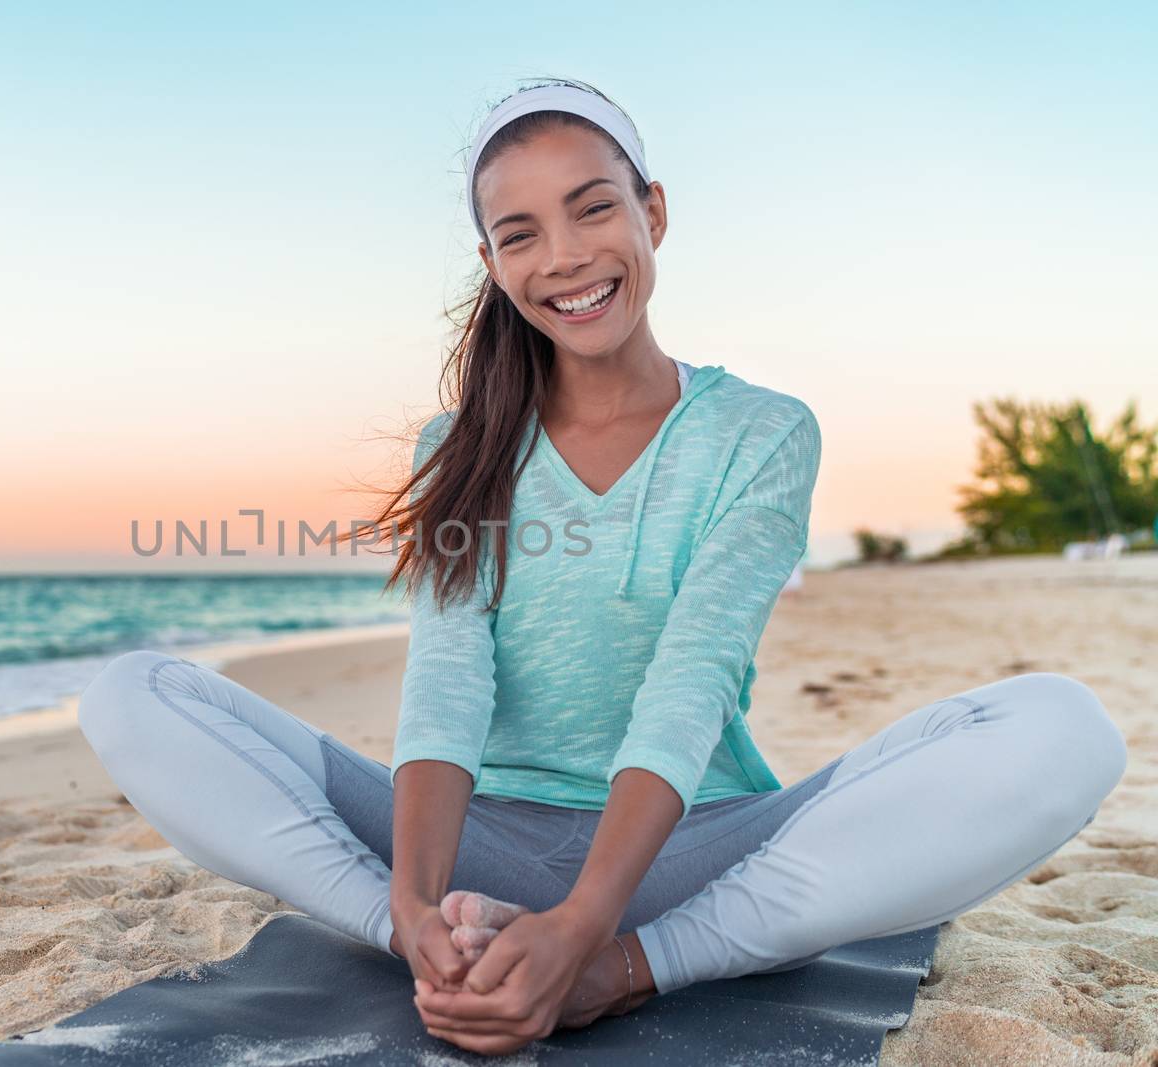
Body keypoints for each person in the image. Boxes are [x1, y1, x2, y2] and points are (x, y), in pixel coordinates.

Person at [77, 78, 1128, 1057]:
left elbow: (692, 677)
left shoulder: (760, 432)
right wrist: (410, 908)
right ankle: (441, 950)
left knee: (1062, 727)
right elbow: (448, 679)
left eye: (593, 209)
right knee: (132, 691)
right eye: (519, 233)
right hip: (474, 851)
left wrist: (596, 937)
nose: (566, 257)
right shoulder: (461, 443)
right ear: (492, 263)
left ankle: (640, 970)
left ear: (651, 213)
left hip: (688, 859)